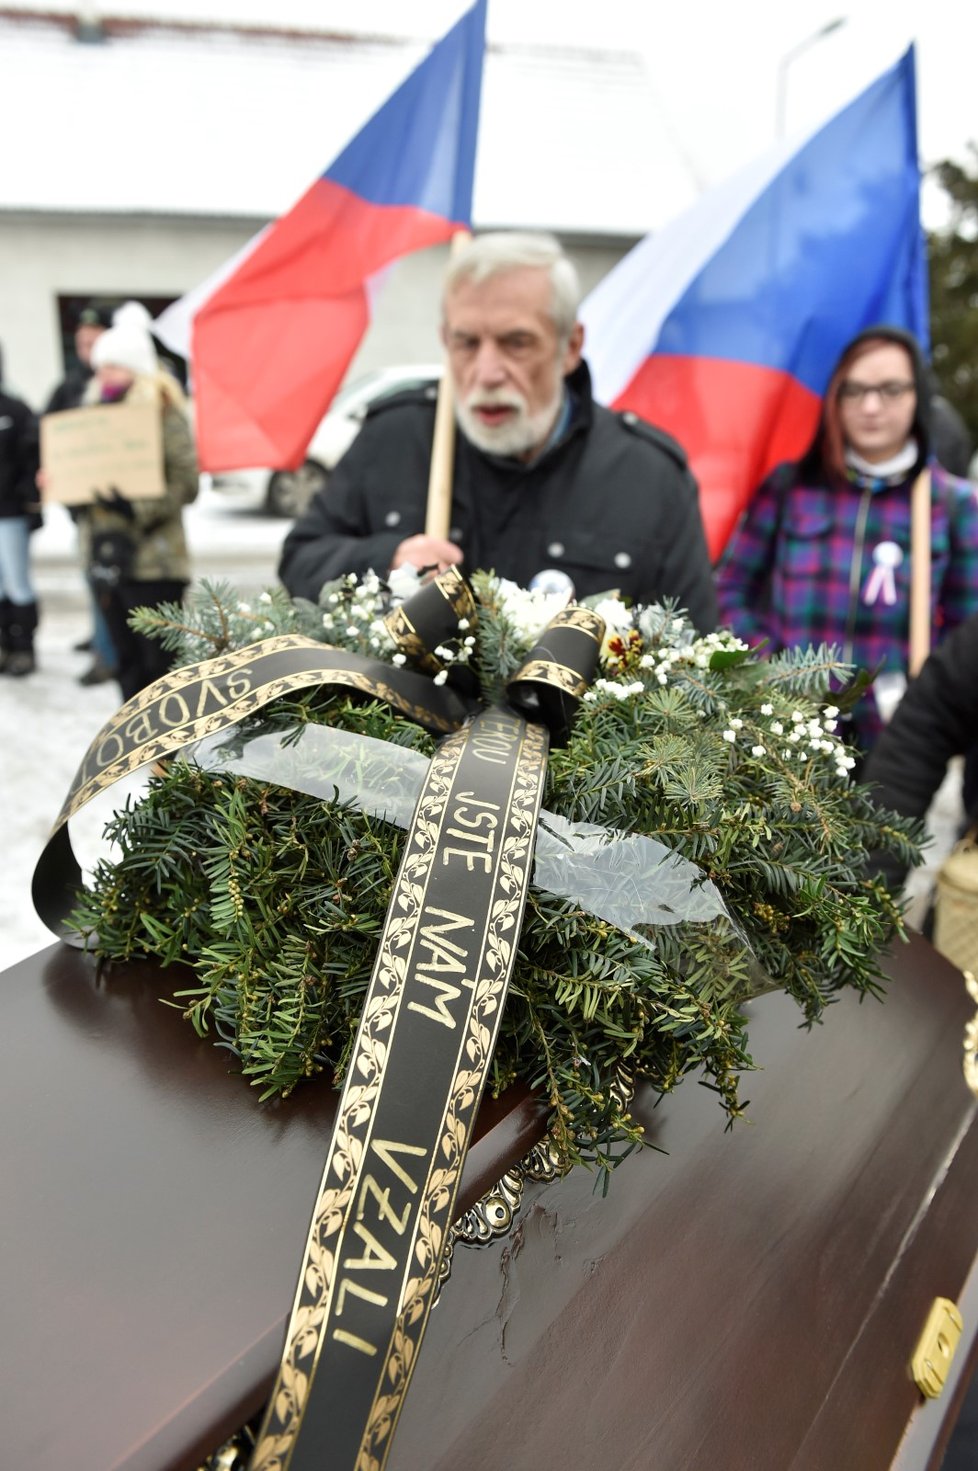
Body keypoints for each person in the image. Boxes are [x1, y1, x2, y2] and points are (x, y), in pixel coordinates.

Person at [278, 231, 717, 632]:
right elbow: (300, 561)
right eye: (467, 343)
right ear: (445, 339)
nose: (486, 373)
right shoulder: (396, 436)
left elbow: (690, 649)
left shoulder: (648, 476)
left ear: (571, 346)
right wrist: (389, 560)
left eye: (516, 343)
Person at [716, 326, 978, 754]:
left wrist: (926, 697)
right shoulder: (790, 487)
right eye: (854, 390)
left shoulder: (952, 505)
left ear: (918, 396)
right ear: (835, 399)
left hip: (896, 742)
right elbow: (730, 589)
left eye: (891, 389)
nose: (871, 406)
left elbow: (966, 631)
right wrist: (768, 668)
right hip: (785, 730)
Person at [74, 303, 199, 701]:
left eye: (113, 366)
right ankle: (138, 749)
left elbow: (187, 482)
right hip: (107, 557)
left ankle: (172, 757)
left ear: (135, 368)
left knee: (160, 665)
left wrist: (138, 507)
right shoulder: (92, 417)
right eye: (100, 367)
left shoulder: (163, 413)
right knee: (125, 662)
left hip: (154, 562)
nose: (104, 375)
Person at [43, 303, 118, 686]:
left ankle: (108, 653)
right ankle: (102, 642)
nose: (87, 350)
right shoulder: (71, 386)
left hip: (119, 507)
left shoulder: (122, 389)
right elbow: (50, 433)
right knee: (95, 583)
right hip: (85, 509)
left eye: (94, 342)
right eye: (81, 343)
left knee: (110, 586)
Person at [0, 347, 42, 676]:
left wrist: (29, 498)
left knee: (17, 582)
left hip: (10, 514)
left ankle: (24, 647)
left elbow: (33, 458)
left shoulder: (16, 410)